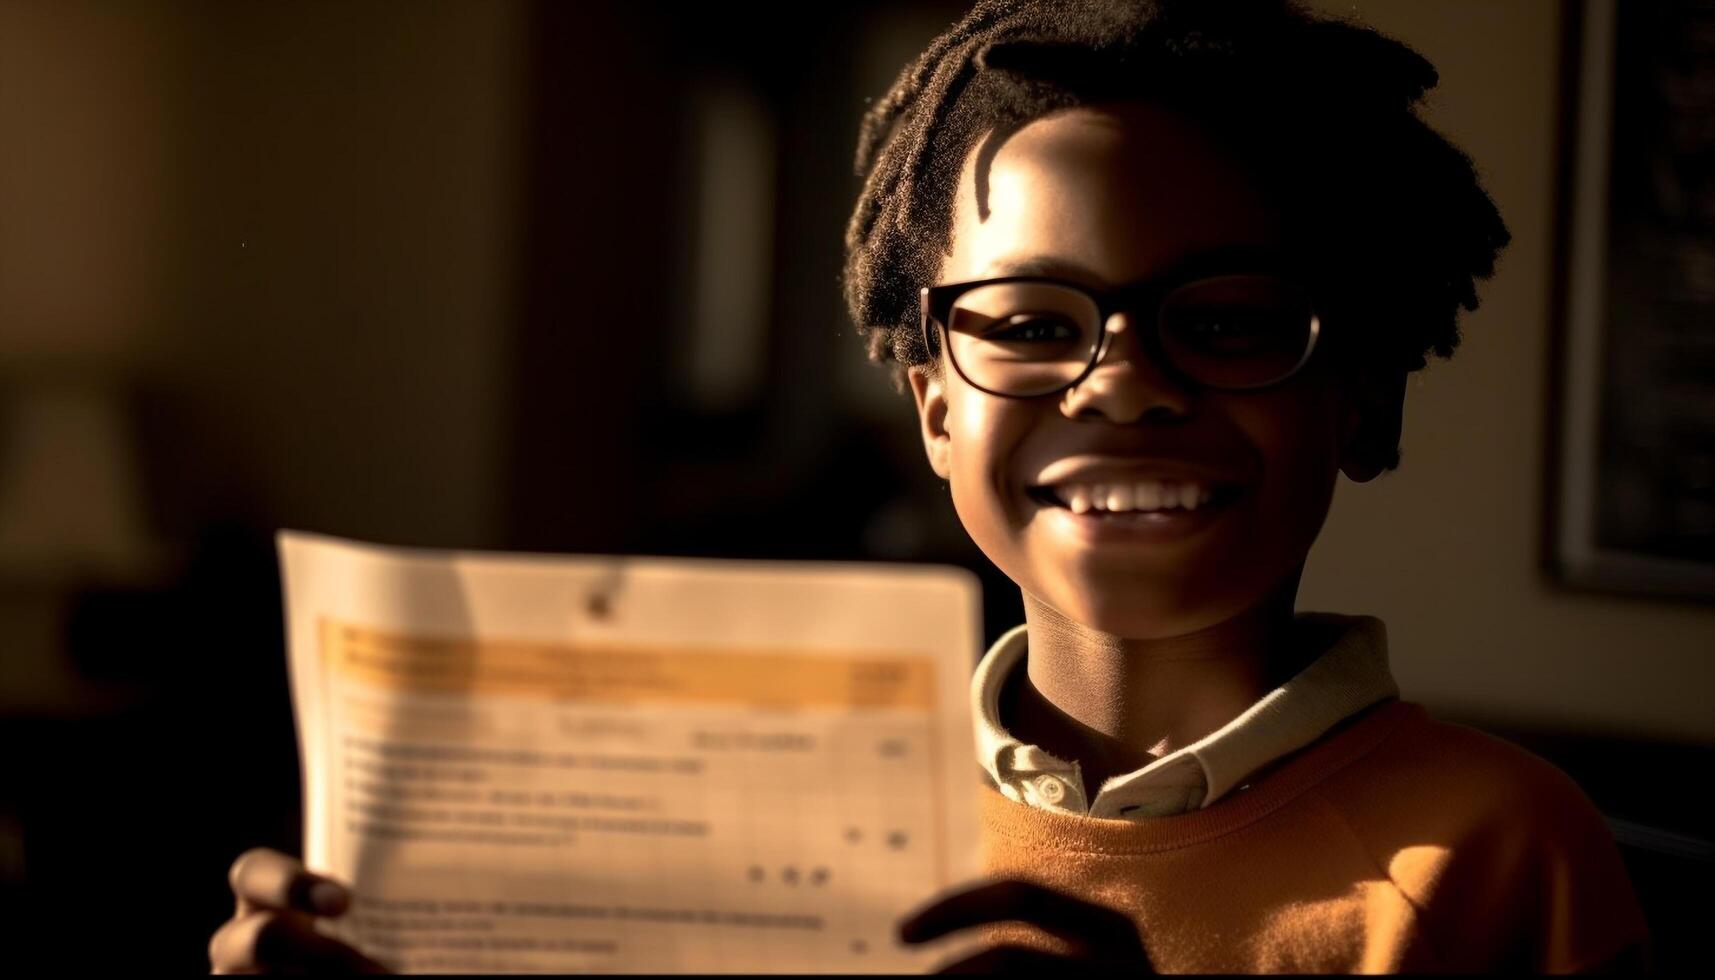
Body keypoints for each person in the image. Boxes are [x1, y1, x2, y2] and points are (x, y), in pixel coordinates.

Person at [209, 0, 1652, 973]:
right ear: (934, 409)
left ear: (1362, 395)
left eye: (1225, 320)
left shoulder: (1499, 852)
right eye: (1027, 325)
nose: (1123, 382)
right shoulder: (763, 821)